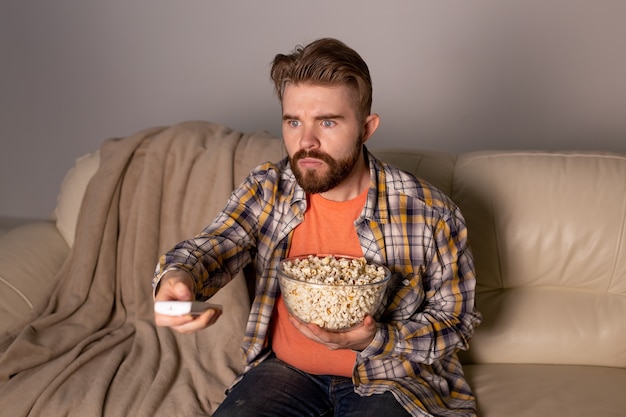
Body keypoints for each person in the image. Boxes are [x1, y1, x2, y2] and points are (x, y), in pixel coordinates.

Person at [152, 38, 482, 417]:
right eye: (294, 121)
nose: (306, 142)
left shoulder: (430, 212)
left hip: (392, 378)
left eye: (327, 121)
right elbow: (216, 244)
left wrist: (376, 336)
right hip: (286, 372)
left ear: (366, 127)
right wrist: (179, 277)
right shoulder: (268, 189)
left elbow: (456, 322)